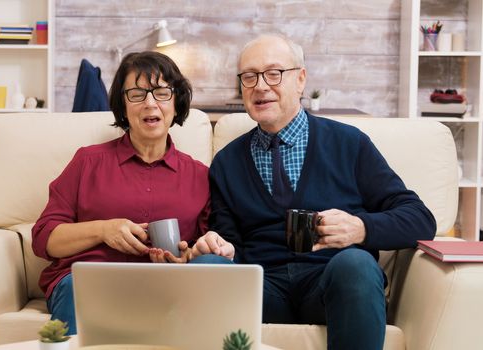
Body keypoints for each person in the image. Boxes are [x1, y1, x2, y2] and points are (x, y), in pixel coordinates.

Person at [207, 34, 436, 349]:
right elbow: (228, 240)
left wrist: (360, 228)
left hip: (333, 283)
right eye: (250, 76)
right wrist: (222, 248)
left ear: (300, 80)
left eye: (274, 73)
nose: (260, 86)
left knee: (355, 264)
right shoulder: (227, 162)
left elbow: (420, 219)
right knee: (209, 266)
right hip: (263, 288)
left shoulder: (349, 144)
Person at [31, 51, 233, 335]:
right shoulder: (88, 161)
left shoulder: (199, 175)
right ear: (123, 106)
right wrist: (103, 230)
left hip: (170, 287)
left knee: (216, 265)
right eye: (137, 94)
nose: (150, 103)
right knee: (80, 286)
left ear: (177, 103)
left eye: (162, 92)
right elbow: (43, 239)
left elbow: (205, 245)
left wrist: (188, 257)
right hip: (90, 281)